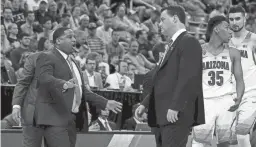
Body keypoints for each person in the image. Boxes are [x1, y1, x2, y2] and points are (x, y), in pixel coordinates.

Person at [32, 27, 122, 147]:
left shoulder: (74, 62)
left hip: (72, 120)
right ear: (58, 41)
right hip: (54, 118)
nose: (74, 40)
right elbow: (43, 78)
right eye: (69, 37)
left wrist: (104, 102)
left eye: (74, 37)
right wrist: (62, 84)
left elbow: (81, 90)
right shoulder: (46, 56)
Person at [135, 5, 205, 147]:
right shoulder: (171, 44)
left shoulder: (189, 41)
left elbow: (188, 78)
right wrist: (145, 104)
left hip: (175, 115)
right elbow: (163, 81)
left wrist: (176, 106)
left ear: (174, 19)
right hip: (163, 115)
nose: (159, 24)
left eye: (162, 19)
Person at [192, 15, 245, 147]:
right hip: (205, 101)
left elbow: (239, 79)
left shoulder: (234, 53)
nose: (230, 31)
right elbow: (191, 79)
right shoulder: (198, 50)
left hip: (226, 101)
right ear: (216, 29)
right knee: (200, 142)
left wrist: (239, 97)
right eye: (227, 27)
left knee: (226, 143)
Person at [228, 5, 256, 147]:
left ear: (245, 19)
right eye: (231, 19)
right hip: (229, 96)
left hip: (250, 95)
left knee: (241, 133)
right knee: (232, 139)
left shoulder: (253, 40)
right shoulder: (224, 42)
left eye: (238, 18)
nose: (235, 22)